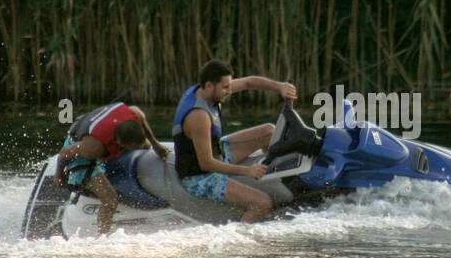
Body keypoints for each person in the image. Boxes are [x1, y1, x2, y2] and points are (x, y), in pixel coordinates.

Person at [173, 60, 296, 222]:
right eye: (225, 88)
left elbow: (248, 82)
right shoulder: (198, 116)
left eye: (229, 86)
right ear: (209, 85)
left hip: (218, 151)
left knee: (269, 131)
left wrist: (279, 86)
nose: (229, 91)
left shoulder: (206, 90)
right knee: (262, 203)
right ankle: (237, 239)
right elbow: (206, 164)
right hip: (199, 177)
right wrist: (248, 171)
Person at [54, 101, 168, 235]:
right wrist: (59, 175)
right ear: (119, 144)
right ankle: (102, 237)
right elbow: (65, 153)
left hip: (103, 128)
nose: (138, 148)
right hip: (80, 152)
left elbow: (138, 113)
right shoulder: (92, 148)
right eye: (133, 147)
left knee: (146, 146)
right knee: (110, 199)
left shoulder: (135, 115)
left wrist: (155, 144)